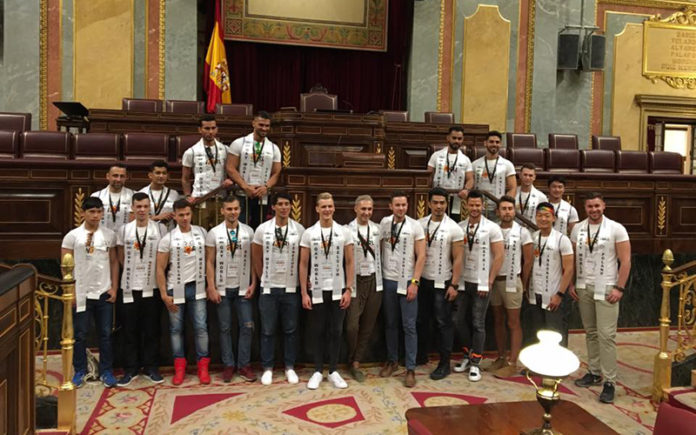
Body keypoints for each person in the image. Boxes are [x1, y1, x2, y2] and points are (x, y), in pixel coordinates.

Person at [570, 193, 631, 404]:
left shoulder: (616, 228)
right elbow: (574, 258)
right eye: (589, 207)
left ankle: (610, 381)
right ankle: (594, 372)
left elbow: (626, 261)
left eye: (597, 206)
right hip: (584, 286)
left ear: (603, 206)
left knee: (606, 335)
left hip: (607, 288)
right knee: (591, 333)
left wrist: (619, 288)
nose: (593, 210)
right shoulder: (577, 228)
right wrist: (571, 283)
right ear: (585, 208)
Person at [61, 197, 119, 388]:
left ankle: (107, 370)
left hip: (103, 291)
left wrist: (114, 287)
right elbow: (65, 267)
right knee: (80, 334)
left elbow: (113, 262)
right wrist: (71, 292)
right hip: (81, 293)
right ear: (84, 213)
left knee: (105, 333)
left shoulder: (109, 235)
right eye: (92, 212)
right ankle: (80, 370)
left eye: (99, 211)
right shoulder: (72, 236)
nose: (96, 215)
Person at [299, 193, 354, 389]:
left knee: (336, 330)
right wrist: (304, 293)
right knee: (318, 330)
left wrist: (349, 289)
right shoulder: (309, 233)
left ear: (334, 208)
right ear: (317, 209)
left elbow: (349, 262)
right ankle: (317, 370)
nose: (327, 210)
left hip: (338, 289)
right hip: (316, 290)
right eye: (323, 207)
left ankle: (333, 370)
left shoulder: (344, 232)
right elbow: (303, 264)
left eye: (330, 206)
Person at [252, 192, 305, 386]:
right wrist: (262, 278)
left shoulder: (299, 229)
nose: (284, 207)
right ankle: (268, 368)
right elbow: (256, 258)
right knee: (267, 330)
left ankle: (289, 367)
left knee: (291, 330)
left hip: (291, 288)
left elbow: (303, 259)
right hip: (268, 289)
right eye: (280, 204)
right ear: (273, 207)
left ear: (291, 206)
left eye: (287, 204)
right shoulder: (262, 230)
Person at [115, 193, 167, 386]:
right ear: (133, 208)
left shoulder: (160, 229)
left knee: (151, 329)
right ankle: (130, 369)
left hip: (152, 286)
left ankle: (151, 367)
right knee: (129, 329)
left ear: (150, 208)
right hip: (129, 286)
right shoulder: (124, 230)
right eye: (139, 206)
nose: (142, 210)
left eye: (145, 206)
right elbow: (120, 256)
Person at [156, 199, 210, 385]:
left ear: (191, 214)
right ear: (175, 216)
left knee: (201, 328)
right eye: (181, 215)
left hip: (198, 287)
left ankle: (203, 367)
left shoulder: (202, 233)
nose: (185, 218)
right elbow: (160, 268)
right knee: (176, 330)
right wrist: (164, 294)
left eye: (187, 214)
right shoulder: (168, 239)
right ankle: (180, 368)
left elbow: (210, 261)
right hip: (175, 288)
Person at [205, 195, 257, 383]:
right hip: (222, 288)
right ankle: (228, 364)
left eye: (235, 209)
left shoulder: (249, 232)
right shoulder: (214, 233)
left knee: (247, 326)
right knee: (225, 328)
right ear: (222, 211)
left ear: (240, 210)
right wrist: (211, 286)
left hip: (244, 287)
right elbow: (209, 262)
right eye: (229, 209)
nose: (232, 212)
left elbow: (253, 260)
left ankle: (244, 365)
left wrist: (254, 283)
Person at [454, 190, 504, 382]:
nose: (474, 208)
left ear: (483, 206)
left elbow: (499, 256)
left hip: (482, 281)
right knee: (458, 320)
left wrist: (490, 280)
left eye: (478, 205)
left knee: (478, 322)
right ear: (466, 205)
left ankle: (476, 363)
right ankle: (468, 354)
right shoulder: (460, 227)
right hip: (463, 281)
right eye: (471, 205)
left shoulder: (492, 228)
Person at [379, 191, 426, 388]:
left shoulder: (415, 226)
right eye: (397, 205)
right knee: (390, 323)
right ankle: (392, 360)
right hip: (388, 279)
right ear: (391, 206)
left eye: (404, 205)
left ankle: (410, 368)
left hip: (407, 280)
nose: (400, 208)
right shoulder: (384, 223)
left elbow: (422, 256)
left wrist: (415, 282)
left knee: (409, 325)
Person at [417, 187, 464, 380]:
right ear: (428, 204)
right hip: (422, 281)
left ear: (447, 204)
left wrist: (454, 284)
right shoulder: (420, 224)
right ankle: (421, 356)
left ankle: (444, 363)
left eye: (442, 203)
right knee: (421, 320)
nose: (438, 206)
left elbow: (459, 258)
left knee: (443, 322)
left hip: (443, 281)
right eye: (435, 202)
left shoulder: (454, 228)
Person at [490, 196, 533, 378]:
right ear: (498, 211)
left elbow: (529, 260)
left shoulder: (522, 232)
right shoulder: (492, 229)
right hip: (494, 280)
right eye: (504, 209)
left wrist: (523, 282)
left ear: (514, 211)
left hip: (512, 280)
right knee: (498, 320)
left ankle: (513, 362)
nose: (507, 212)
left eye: (510, 208)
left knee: (513, 322)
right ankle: (501, 356)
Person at [345, 195, 383, 382]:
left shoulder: (377, 229)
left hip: (375, 279)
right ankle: (350, 355)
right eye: (363, 209)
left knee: (368, 324)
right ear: (356, 209)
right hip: (355, 280)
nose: (366, 213)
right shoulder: (346, 230)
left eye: (369, 209)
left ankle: (356, 362)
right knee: (352, 325)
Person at [528, 202, 574, 348]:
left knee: (555, 332)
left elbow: (569, 269)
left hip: (554, 293)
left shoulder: (562, 239)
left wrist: (559, 294)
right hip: (535, 292)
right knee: (538, 331)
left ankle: (559, 368)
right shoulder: (533, 237)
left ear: (553, 218)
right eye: (540, 216)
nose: (543, 219)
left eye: (547, 216)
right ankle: (539, 366)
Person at [227, 111, 282, 228]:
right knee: (239, 227)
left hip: (262, 194)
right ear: (253, 124)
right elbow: (230, 168)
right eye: (261, 125)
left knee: (260, 228)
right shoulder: (239, 143)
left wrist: (266, 187)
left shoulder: (273, 148)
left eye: (267, 126)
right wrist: (245, 186)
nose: (264, 128)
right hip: (242, 192)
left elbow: (276, 172)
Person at [181, 115, 234, 227]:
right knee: (200, 232)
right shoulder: (191, 152)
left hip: (220, 198)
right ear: (199, 129)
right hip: (201, 198)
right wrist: (187, 196)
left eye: (213, 128)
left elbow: (232, 170)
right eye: (207, 128)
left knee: (220, 233)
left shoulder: (225, 149)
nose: (210, 132)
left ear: (217, 129)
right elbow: (185, 178)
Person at [427, 126, 474, 221]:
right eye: (454, 138)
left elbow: (470, 179)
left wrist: (466, 189)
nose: (457, 141)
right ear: (448, 138)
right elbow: (428, 176)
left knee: (454, 222)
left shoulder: (465, 159)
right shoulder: (436, 156)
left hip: (456, 198)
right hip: (438, 197)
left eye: (459, 139)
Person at [471, 131, 516, 222]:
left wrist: (502, 206)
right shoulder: (475, 164)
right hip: (479, 208)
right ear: (485, 143)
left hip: (497, 209)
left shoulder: (507, 164)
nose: (494, 144)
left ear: (500, 144)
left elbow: (513, 188)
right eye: (491, 141)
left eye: (497, 142)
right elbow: (470, 185)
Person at [91, 163, 134, 232]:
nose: (118, 179)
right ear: (108, 176)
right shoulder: (96, 196)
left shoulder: (134, 196)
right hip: (102, 238)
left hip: (125, 239)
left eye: (122, 176)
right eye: (115, 176)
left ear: (126, 177)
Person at [138, 160, 180, 230]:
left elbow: (179, 216)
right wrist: (157, 217)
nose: (161, 176)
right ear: (150, 175)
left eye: (164, 173)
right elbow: (136, 218)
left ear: (167, 175)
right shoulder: (141, 193)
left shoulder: (174, 194)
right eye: (158, 173)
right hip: (147, 233)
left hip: (168, 233)